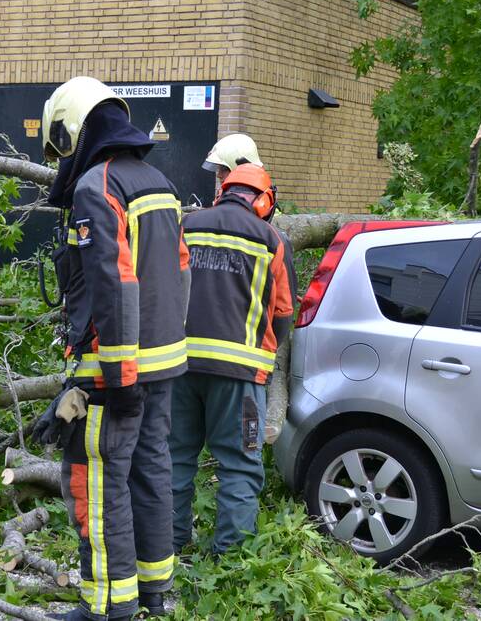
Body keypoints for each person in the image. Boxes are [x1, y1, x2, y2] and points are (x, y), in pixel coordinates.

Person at [39, 77, 189, 620]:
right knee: (151, 472)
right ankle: (153, 591)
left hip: (116, 372)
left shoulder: (96, 187)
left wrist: (119, 377)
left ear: (74, 128)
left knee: (97, 482)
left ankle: (106, 606)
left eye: (61, 145)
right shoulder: (158, 182)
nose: (61, 161)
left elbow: (115, 284)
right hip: (163, 364)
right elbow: (179, 275)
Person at [171, 153, 295, 556]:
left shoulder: (186, 225)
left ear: (223, 192)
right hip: (241, 377)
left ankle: (168, 545)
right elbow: (283, 313)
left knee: (173, 457)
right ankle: (230, 558)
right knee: (240, 464)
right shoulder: (272, 240)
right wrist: (271, 357)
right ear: (264, 201)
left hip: (179, 367)